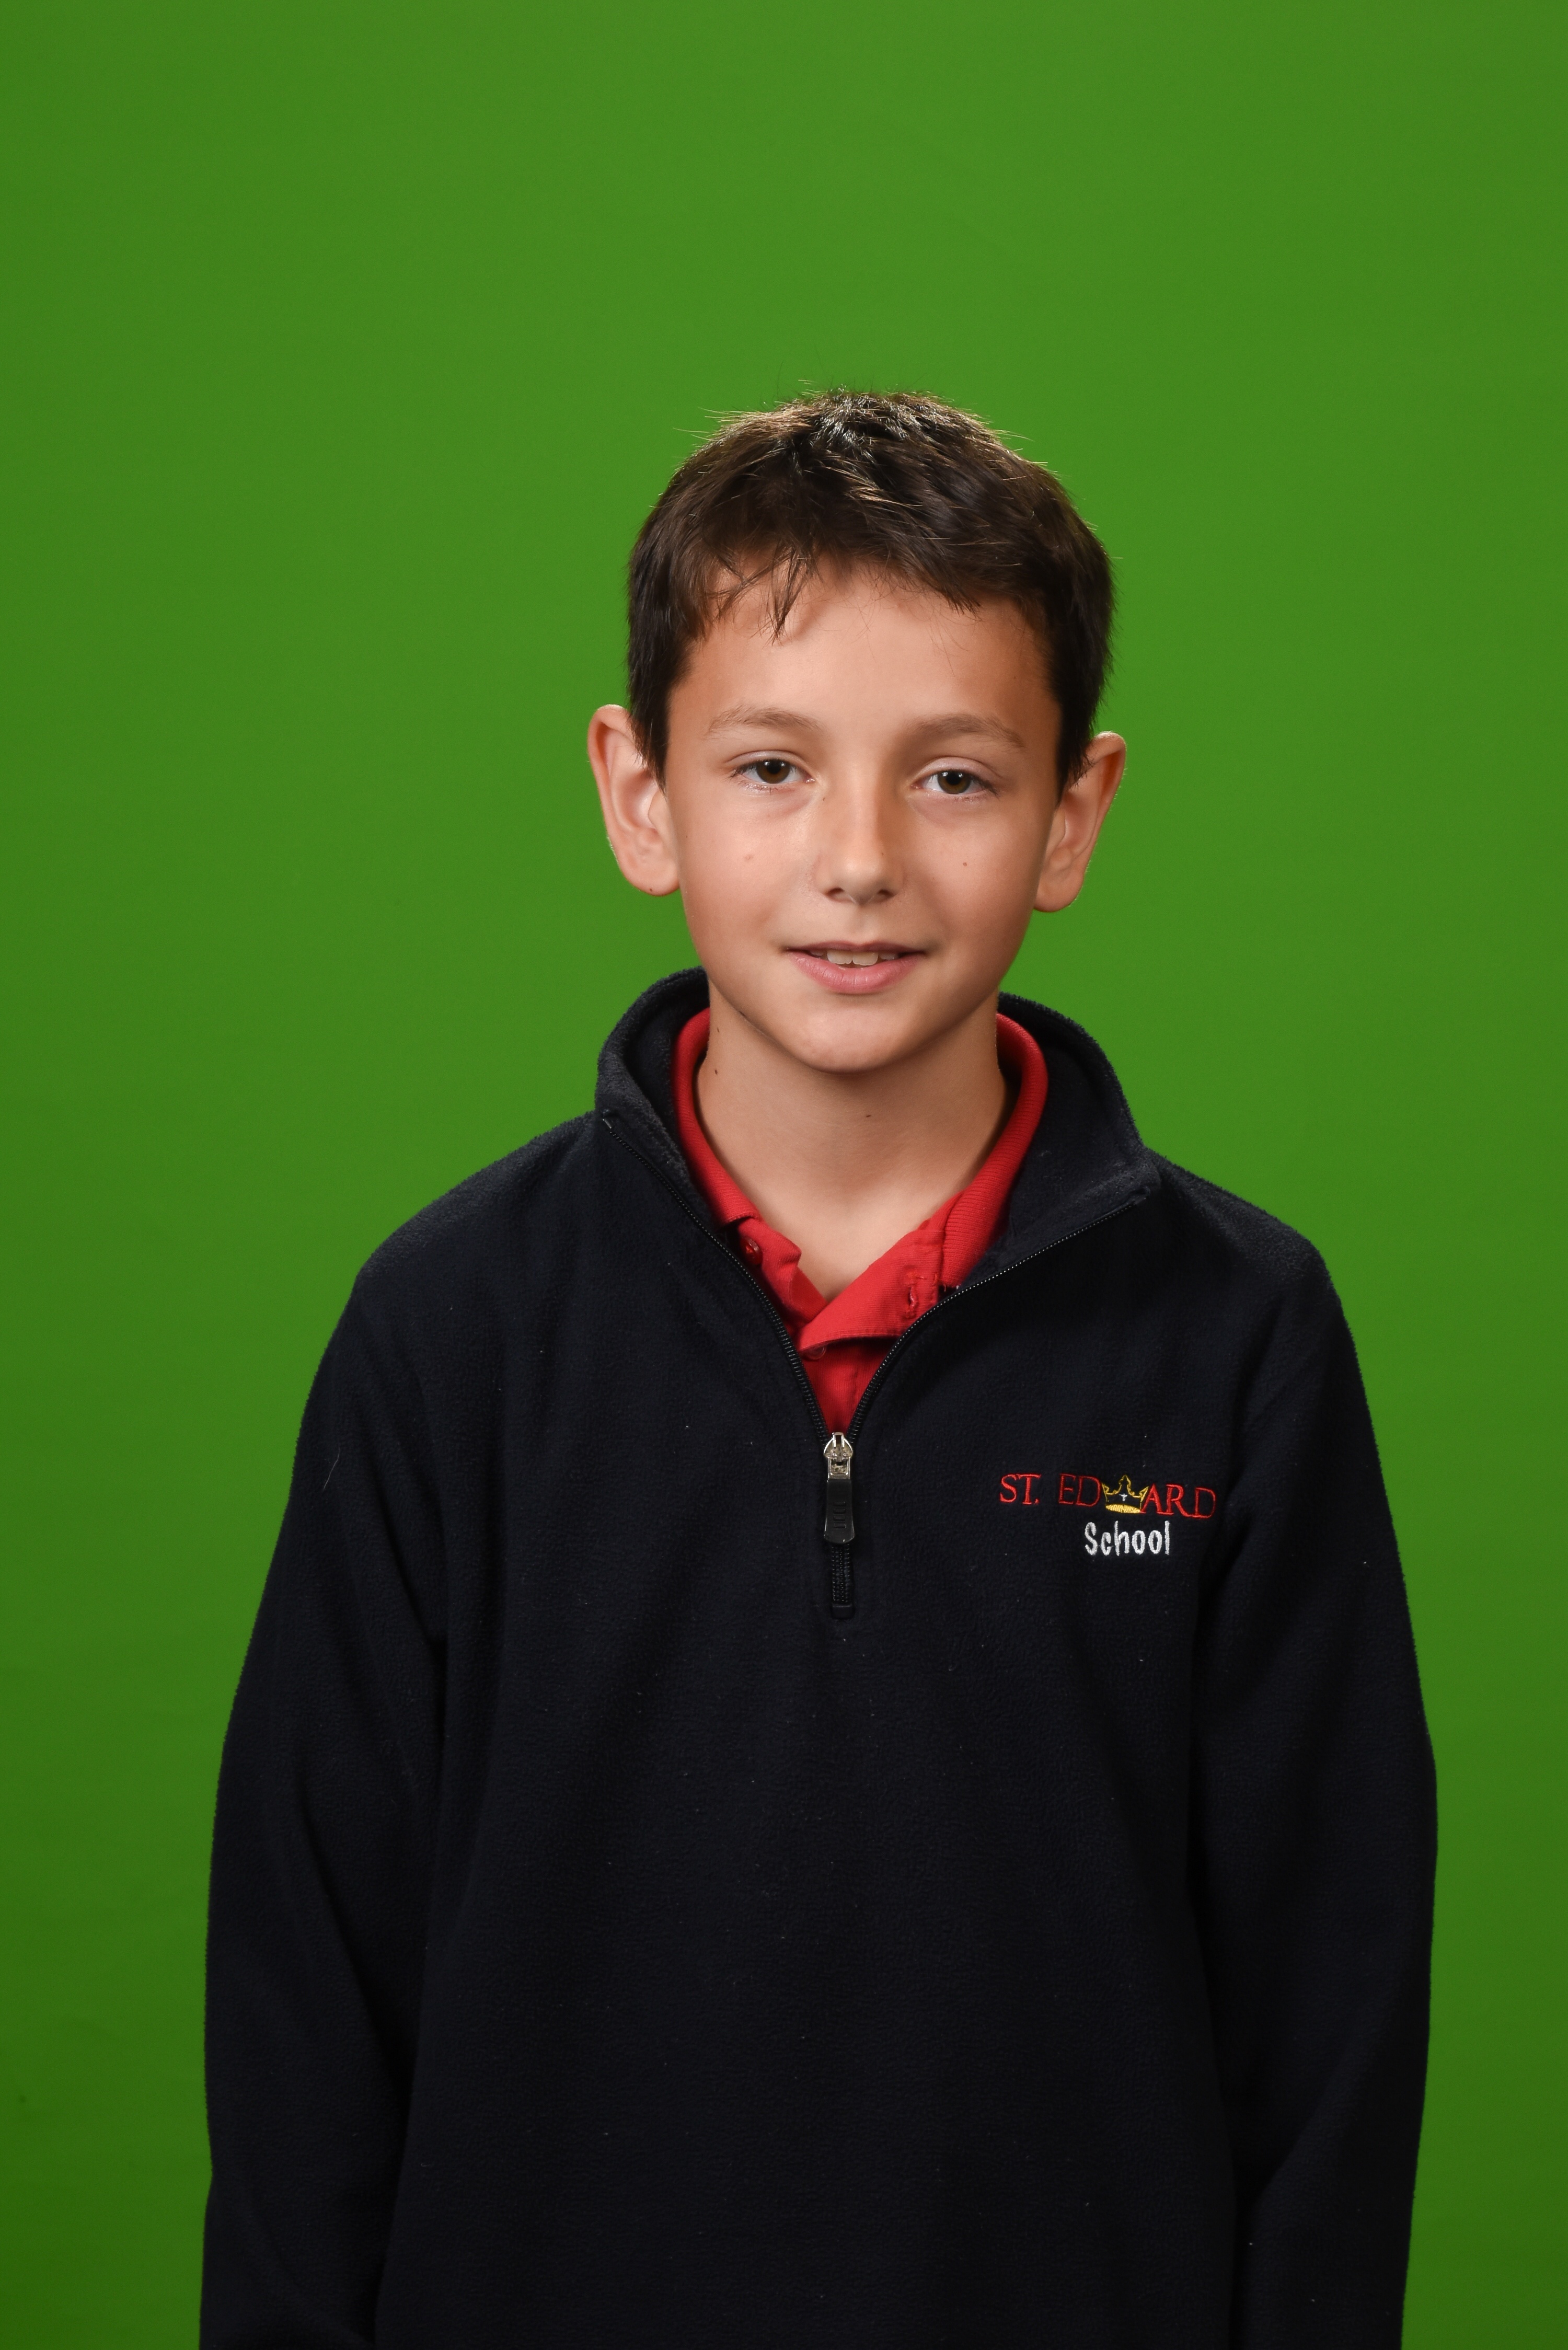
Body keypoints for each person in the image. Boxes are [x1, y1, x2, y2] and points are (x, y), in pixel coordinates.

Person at [201, 392, 1436, 2348]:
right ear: (640, 797)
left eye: (953, 777)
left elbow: (1333, 2006)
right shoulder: (449, 1330)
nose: (858, 860)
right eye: (771, 767)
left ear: (1074, 813)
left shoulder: (1239, 1338)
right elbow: (306, 1998)